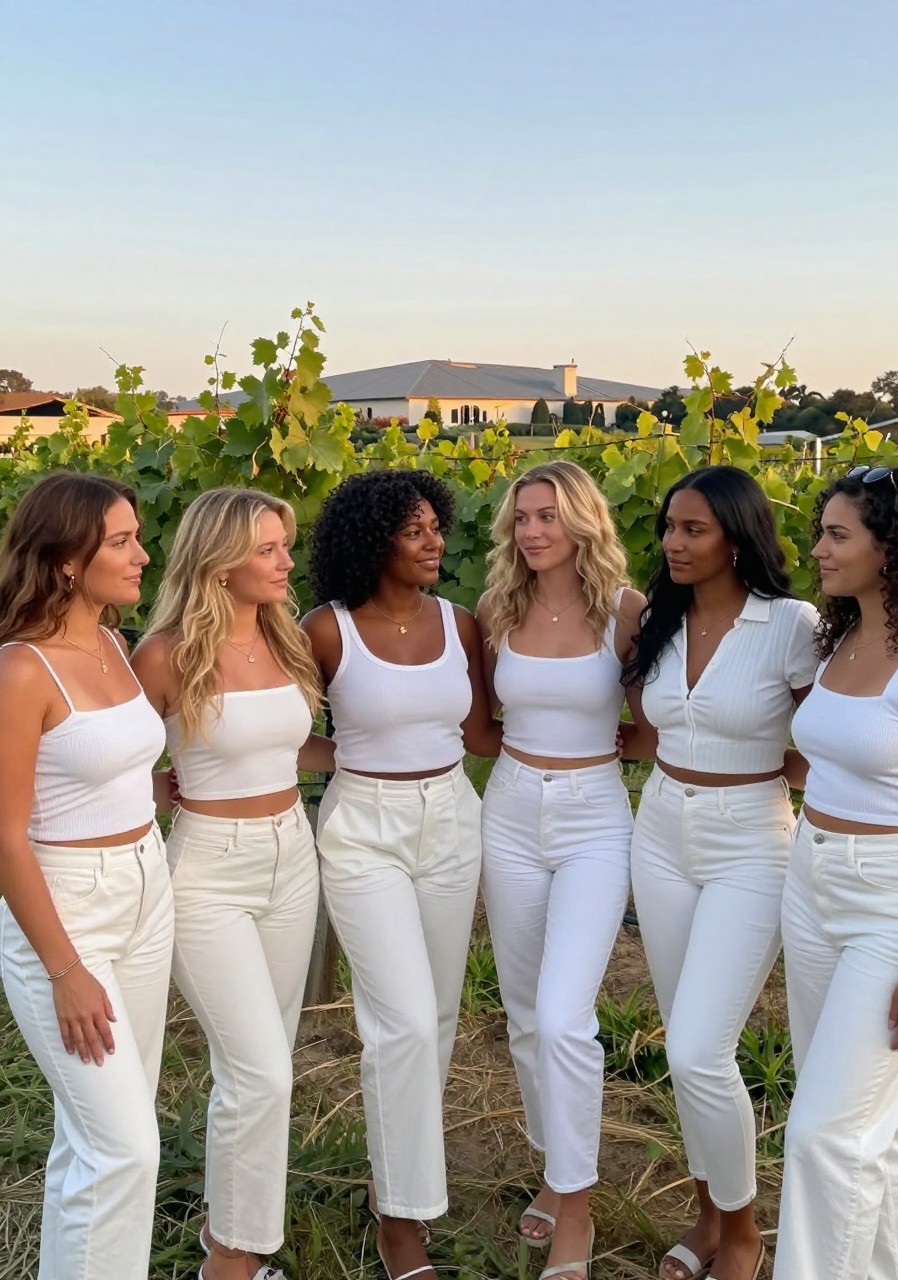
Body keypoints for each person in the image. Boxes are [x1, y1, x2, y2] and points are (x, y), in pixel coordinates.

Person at [302, 468, 500, 1280]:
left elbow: (485, 734)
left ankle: (403, 1184)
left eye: (435, 526)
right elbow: (288, 730)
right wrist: (348, 756)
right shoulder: (324, 630)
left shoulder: (463, 624)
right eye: (414, 529)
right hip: (362, 830)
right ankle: (400, 1225)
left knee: (440, 1019)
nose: (434, 542)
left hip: (452, 819)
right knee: (406, 1022)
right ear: (371, 539)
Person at [622, 466, 819, 1280]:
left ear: (737, 537)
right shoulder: (659, 621)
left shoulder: (791, 624)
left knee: (703, 1048)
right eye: (670, 526)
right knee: (684, 1045)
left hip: (751, 839)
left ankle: (742, 1235)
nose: (673, 541)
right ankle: (708, 1217)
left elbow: (827, 736)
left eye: (694, 529)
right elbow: (645, 721)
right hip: (661, 829)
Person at [132, 487, 331, 1280]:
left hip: (293, 855)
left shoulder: (286, 642)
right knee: (259, 1069)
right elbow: (107, 750)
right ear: (219, 562)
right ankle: (232, 1266)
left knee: (263, 1066)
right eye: (268, 550)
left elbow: (292, 750)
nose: (287, 561)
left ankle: (236, 1245)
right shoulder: (167, 655)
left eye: (285, 545)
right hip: (210, 869)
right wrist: (153, 788)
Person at [773, 465, 898, 1280]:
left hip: (894, 906)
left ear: (894, 548)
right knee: (868, 1128)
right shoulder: (840, 637)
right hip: (811, 881)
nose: (817, 549)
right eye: (822, 531)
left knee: (821, 1135)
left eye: (837, 535)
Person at [0, 472, 175, 1279]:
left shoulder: (109, 642)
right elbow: (5, 834)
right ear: (69, 559)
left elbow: (117, 770)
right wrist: (64, 971)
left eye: (137, 535)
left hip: (146, 888)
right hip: (68, 914)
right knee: (127, 1150)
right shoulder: (23, 670)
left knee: (101, 1140)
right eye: (121, 541)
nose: (143, 553)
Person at [476, 460, 646, 1280]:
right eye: (522, 519)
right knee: (520, 1008)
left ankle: (575, 1207)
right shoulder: (495, 609)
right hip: (508, 806)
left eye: (547, 516)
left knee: (563, 1013)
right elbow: (480, 722)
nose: (533, 532)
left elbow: (653, 723)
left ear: (583, 519)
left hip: (592, 817)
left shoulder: (626, 612)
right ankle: (554, 1163)